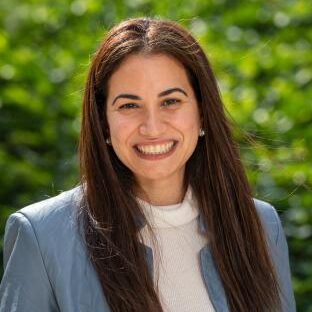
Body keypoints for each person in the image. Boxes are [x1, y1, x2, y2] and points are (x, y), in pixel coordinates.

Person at [0, 18, 296, 312]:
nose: (152, 127)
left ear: (203, 112)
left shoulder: (260, 224)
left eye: (171, 102)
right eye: (129, 105)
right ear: (103, 122)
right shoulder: (42, 237)